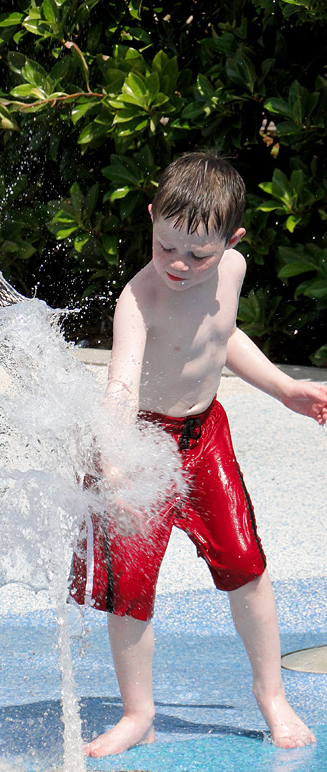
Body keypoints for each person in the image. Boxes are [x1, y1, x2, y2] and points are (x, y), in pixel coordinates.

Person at [69, 152, 327, 757]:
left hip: (206, 437)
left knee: (247, 565)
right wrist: (113, 451)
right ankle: (138, 714)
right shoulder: (139, 300)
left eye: (199, 254)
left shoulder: (230, 270)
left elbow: (222, 333)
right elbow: (121, 384)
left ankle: (272, 694)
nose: (181, 265)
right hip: (142, 444)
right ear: (153, 218)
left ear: (232, 242)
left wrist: (283, 387)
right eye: (166, 247)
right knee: (129, 589)